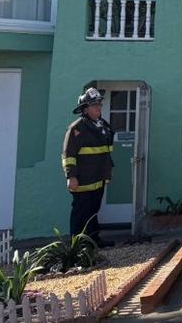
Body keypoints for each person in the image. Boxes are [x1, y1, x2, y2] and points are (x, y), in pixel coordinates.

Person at [62, 87, 115, 247]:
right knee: (81, 213)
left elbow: (106, 153)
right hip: (82, 181)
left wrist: (107, 172)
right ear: (85, 108)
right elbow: (68, 155)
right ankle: (77, 246)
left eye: (99, 104)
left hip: (98, 179)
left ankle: (94, 241)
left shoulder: (102, 126)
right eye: (94, 105)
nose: (98, 107)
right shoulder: (76, 128)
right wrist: (71, 176)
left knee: (93, 212)